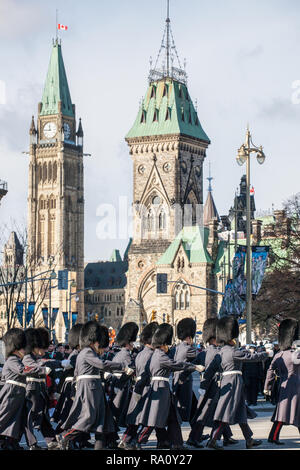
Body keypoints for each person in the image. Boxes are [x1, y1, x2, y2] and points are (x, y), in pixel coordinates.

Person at [56, 321, 133, 450]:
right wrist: (122, 367)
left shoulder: (86, 352)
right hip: (90, 388)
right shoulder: (87, 352)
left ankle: (100, 446)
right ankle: (66, 436)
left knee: (103, 420)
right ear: (94, 340)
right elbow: (102, 364)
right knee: (88, 417)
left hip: (94, 388)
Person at [136, 323, 204, 450]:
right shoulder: (160, 356)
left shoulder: (156, 355)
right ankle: (138, 439)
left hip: (164, 389)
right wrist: (194, 366)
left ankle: (177, 443)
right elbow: (176, 364)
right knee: (154, 418)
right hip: (161, 389)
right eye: (166, 344)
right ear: (163, 344)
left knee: (173, 418)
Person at [207, 316, 268, 450]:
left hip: (227, 381)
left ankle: (249, 439)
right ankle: (213, 439)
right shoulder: (233, 351)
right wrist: (265, 354)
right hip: (234, 382)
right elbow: (251, 357)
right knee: (226, 412)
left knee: (240, 412)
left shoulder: (222, 351)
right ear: (231, 338)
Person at [119, 322, 169, 450]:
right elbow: (148, 372)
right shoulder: (151, 354)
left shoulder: (141, 353)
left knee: (140, 418)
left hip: (140, 386)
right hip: (147, 387)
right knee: (148, 418)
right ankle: (133, 440)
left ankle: (162, 440)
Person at [188, 318, 237, 448]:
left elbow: (192, 365)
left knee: (219, 411)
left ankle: (227, 436)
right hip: (213, 385)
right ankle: (194, 438)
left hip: (209, 384)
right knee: (205, 413)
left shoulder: (204, 352)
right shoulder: (216, 351)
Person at [0, 328, 40, 450]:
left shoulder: (17, 359)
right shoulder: (12, 359)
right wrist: (42, 370)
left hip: (18, 392)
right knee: (4, 417)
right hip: (11, 392)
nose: (25, 350)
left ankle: (10, 443)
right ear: (16, 348)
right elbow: (23, 371)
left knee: (17, 420)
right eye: (22, 347)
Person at [23, 328, 62, 450]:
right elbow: (36, 366)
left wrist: (59, 363)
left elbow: (45, 362)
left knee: (43, 417)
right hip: (31, 390)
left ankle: (51, 440)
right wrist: (46, 365)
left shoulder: (35, 357)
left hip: (39, 390)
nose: (44, 350)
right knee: (29, 418)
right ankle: (32, 443)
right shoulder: (27, 357)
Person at [264, 318, 300, 445]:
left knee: (281, 414)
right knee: (294, 412)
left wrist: (267, 387)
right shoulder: (295, 354)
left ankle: (273, 437)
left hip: (283, 385)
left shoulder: (278, 355)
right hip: (295, 385)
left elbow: (270, 370)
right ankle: (273, 437)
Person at [172, 318, 200, 438]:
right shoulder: (189, 349)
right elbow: (197, 360)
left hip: (177, 379)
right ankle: (175, 437)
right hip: (185, 381)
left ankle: (196, 434)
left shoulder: (177, 347)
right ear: (189, 336)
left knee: (194, 409)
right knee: (182, 411)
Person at [108, 322, 138, 433]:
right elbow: (131, 370)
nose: (133, 345)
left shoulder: (120, 353)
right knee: (117, 410)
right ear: (128, 343)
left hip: (117, 383)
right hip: (121, 384)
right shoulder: (125, 354)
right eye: (131, 343)